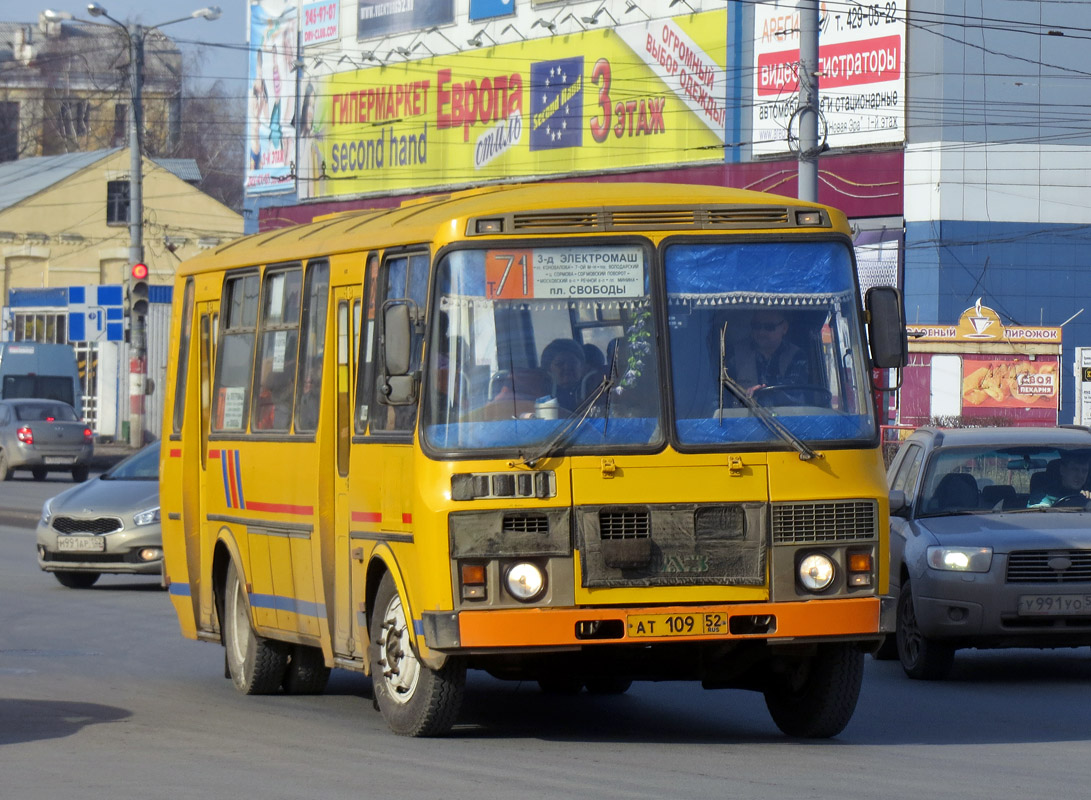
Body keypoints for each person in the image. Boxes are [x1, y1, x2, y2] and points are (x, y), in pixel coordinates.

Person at [728, 310, 812, 397]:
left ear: (784, 328)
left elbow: (794, 390)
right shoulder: (735, 354)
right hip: (742, 410)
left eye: (769, 327)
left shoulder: (797, 356)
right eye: (756, 326)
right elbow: (723, 392)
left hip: (787, 410)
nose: (761, 332)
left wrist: (766, 390)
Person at [541, 338, 587, 411]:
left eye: (573, 363)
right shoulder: (541, 396)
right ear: (548, 369)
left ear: (582, 367)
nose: (567, 367)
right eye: (560, 364)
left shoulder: (595, 391)